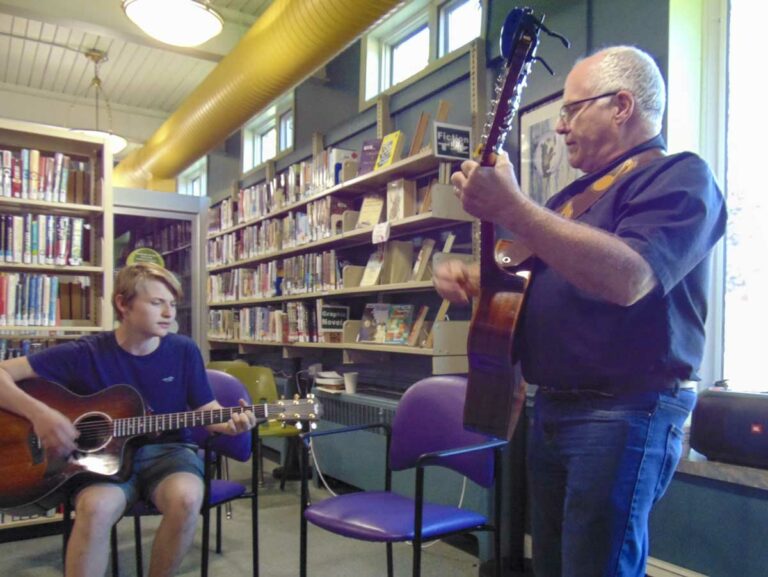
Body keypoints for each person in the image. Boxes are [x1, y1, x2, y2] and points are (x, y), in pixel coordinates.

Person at [434, 46, 726, 577]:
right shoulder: (574, 198)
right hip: (554, 410)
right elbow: (544, 279)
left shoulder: (681, 177)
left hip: (624, 410)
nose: (562, 126)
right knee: (553, 565)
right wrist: (477, 281)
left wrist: (514, 208)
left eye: (572, 110)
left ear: (620, 105)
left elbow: (630, 276)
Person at [0, 262, 257, 577]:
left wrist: (230, 423)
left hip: (169, 454)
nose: (169, 313)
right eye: (156, 303)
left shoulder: (184, 350)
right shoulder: (85, 352)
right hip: (100, 462)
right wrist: (40, 414)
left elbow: (207, 409)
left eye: (172, 304)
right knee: (94, 509)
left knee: (187, 498)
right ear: (123, 304)